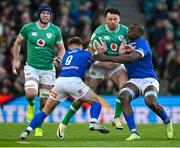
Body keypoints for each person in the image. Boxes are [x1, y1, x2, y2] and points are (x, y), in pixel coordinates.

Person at [93, 24, 174, 140]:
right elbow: (117, 57)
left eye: (133, 29)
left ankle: (167, 120)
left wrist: (105, 57)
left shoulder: (142, 43)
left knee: (150, 102)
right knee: (123, 97)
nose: (129, 30)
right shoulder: (125, 45)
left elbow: (131, 58)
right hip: (134, 80)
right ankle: (134, 132)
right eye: (129, 28)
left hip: (149, 79)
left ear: (140, 33)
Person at [19, 36, 109, 141]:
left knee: (45, 111)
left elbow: (59, 64)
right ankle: (93, 122)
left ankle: (27, 131)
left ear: (69, 46)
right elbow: (98, 58)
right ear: (81, 46)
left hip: (60, 82)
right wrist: (101, 51)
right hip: (74, 82)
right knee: (96, 102)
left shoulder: (65, 55)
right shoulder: (85, 54)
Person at [59, 8, 130, 134]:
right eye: (110, 19)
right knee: (83, 94)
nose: (113, 21)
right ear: (105, 20)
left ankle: (117, 117)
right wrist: (100, 55)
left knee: (124, 87)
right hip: (100, 64)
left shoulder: (125, 30)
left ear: (119, 19)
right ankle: (64, 123)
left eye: (115, 19)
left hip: (115, 64)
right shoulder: (99, 31)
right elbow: (91, 50)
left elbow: (129, 49)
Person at [12, 5, 65, 136]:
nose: (46, 16)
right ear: (39, 14)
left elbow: (62, 49)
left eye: (48, 14)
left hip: (48, 69)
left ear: (50, 15)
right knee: (31, 93)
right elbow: (17, 43)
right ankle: (30, 104)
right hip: (32, 67)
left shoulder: (55, 30)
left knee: (44, 102)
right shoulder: (28, 28)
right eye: (43, 13)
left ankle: (39, 125)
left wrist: (58, 60)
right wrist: (15, 60)